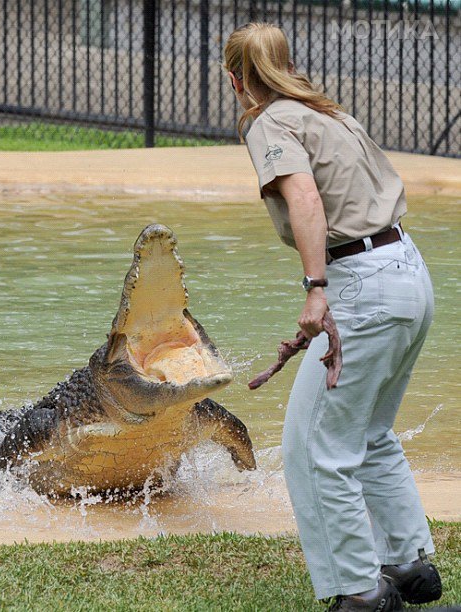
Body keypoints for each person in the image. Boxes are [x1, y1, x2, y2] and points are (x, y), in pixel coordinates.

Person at [223, 23, 443, 611]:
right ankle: (407, 564)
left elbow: (305, 199)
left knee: (316, 449)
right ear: (283, 63)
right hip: (408, 272)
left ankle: (361, 592)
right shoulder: (328, 113)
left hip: (362, 285)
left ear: (235, 78)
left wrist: (317, 289)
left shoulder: (270, 121)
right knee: (369, 433)